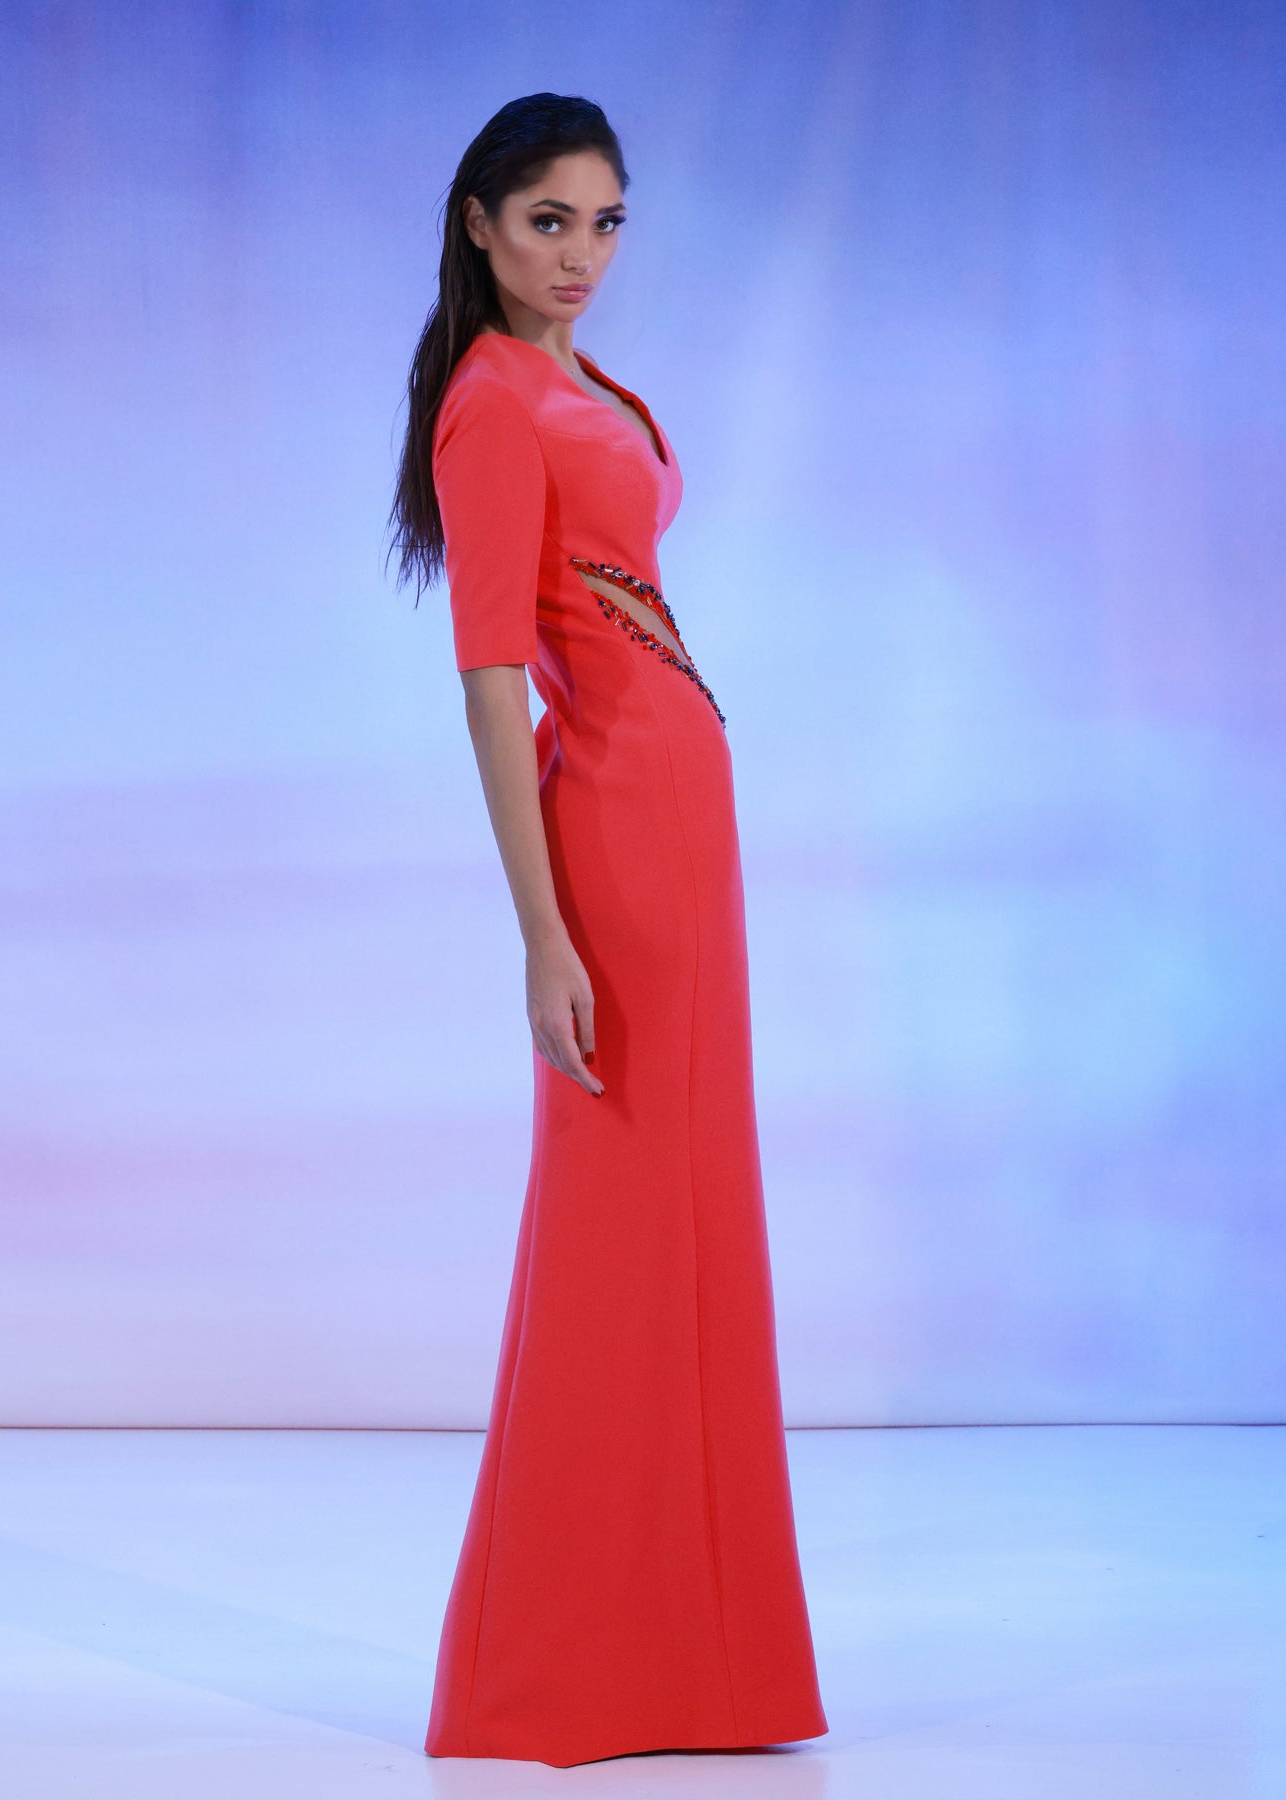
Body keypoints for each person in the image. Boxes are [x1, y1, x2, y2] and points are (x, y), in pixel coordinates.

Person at [389, 92, 827, 1770]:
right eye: (549, 220)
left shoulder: (581, 384)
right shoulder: (493, 406)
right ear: (480, 222)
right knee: (614, 1231)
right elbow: (492, 685)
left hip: (682, 830)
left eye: (607, 221)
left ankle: (700, 1662)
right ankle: (558, 1671)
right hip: (614, 854)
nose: (583, 254)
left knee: (690, 1222)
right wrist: (541, 933)